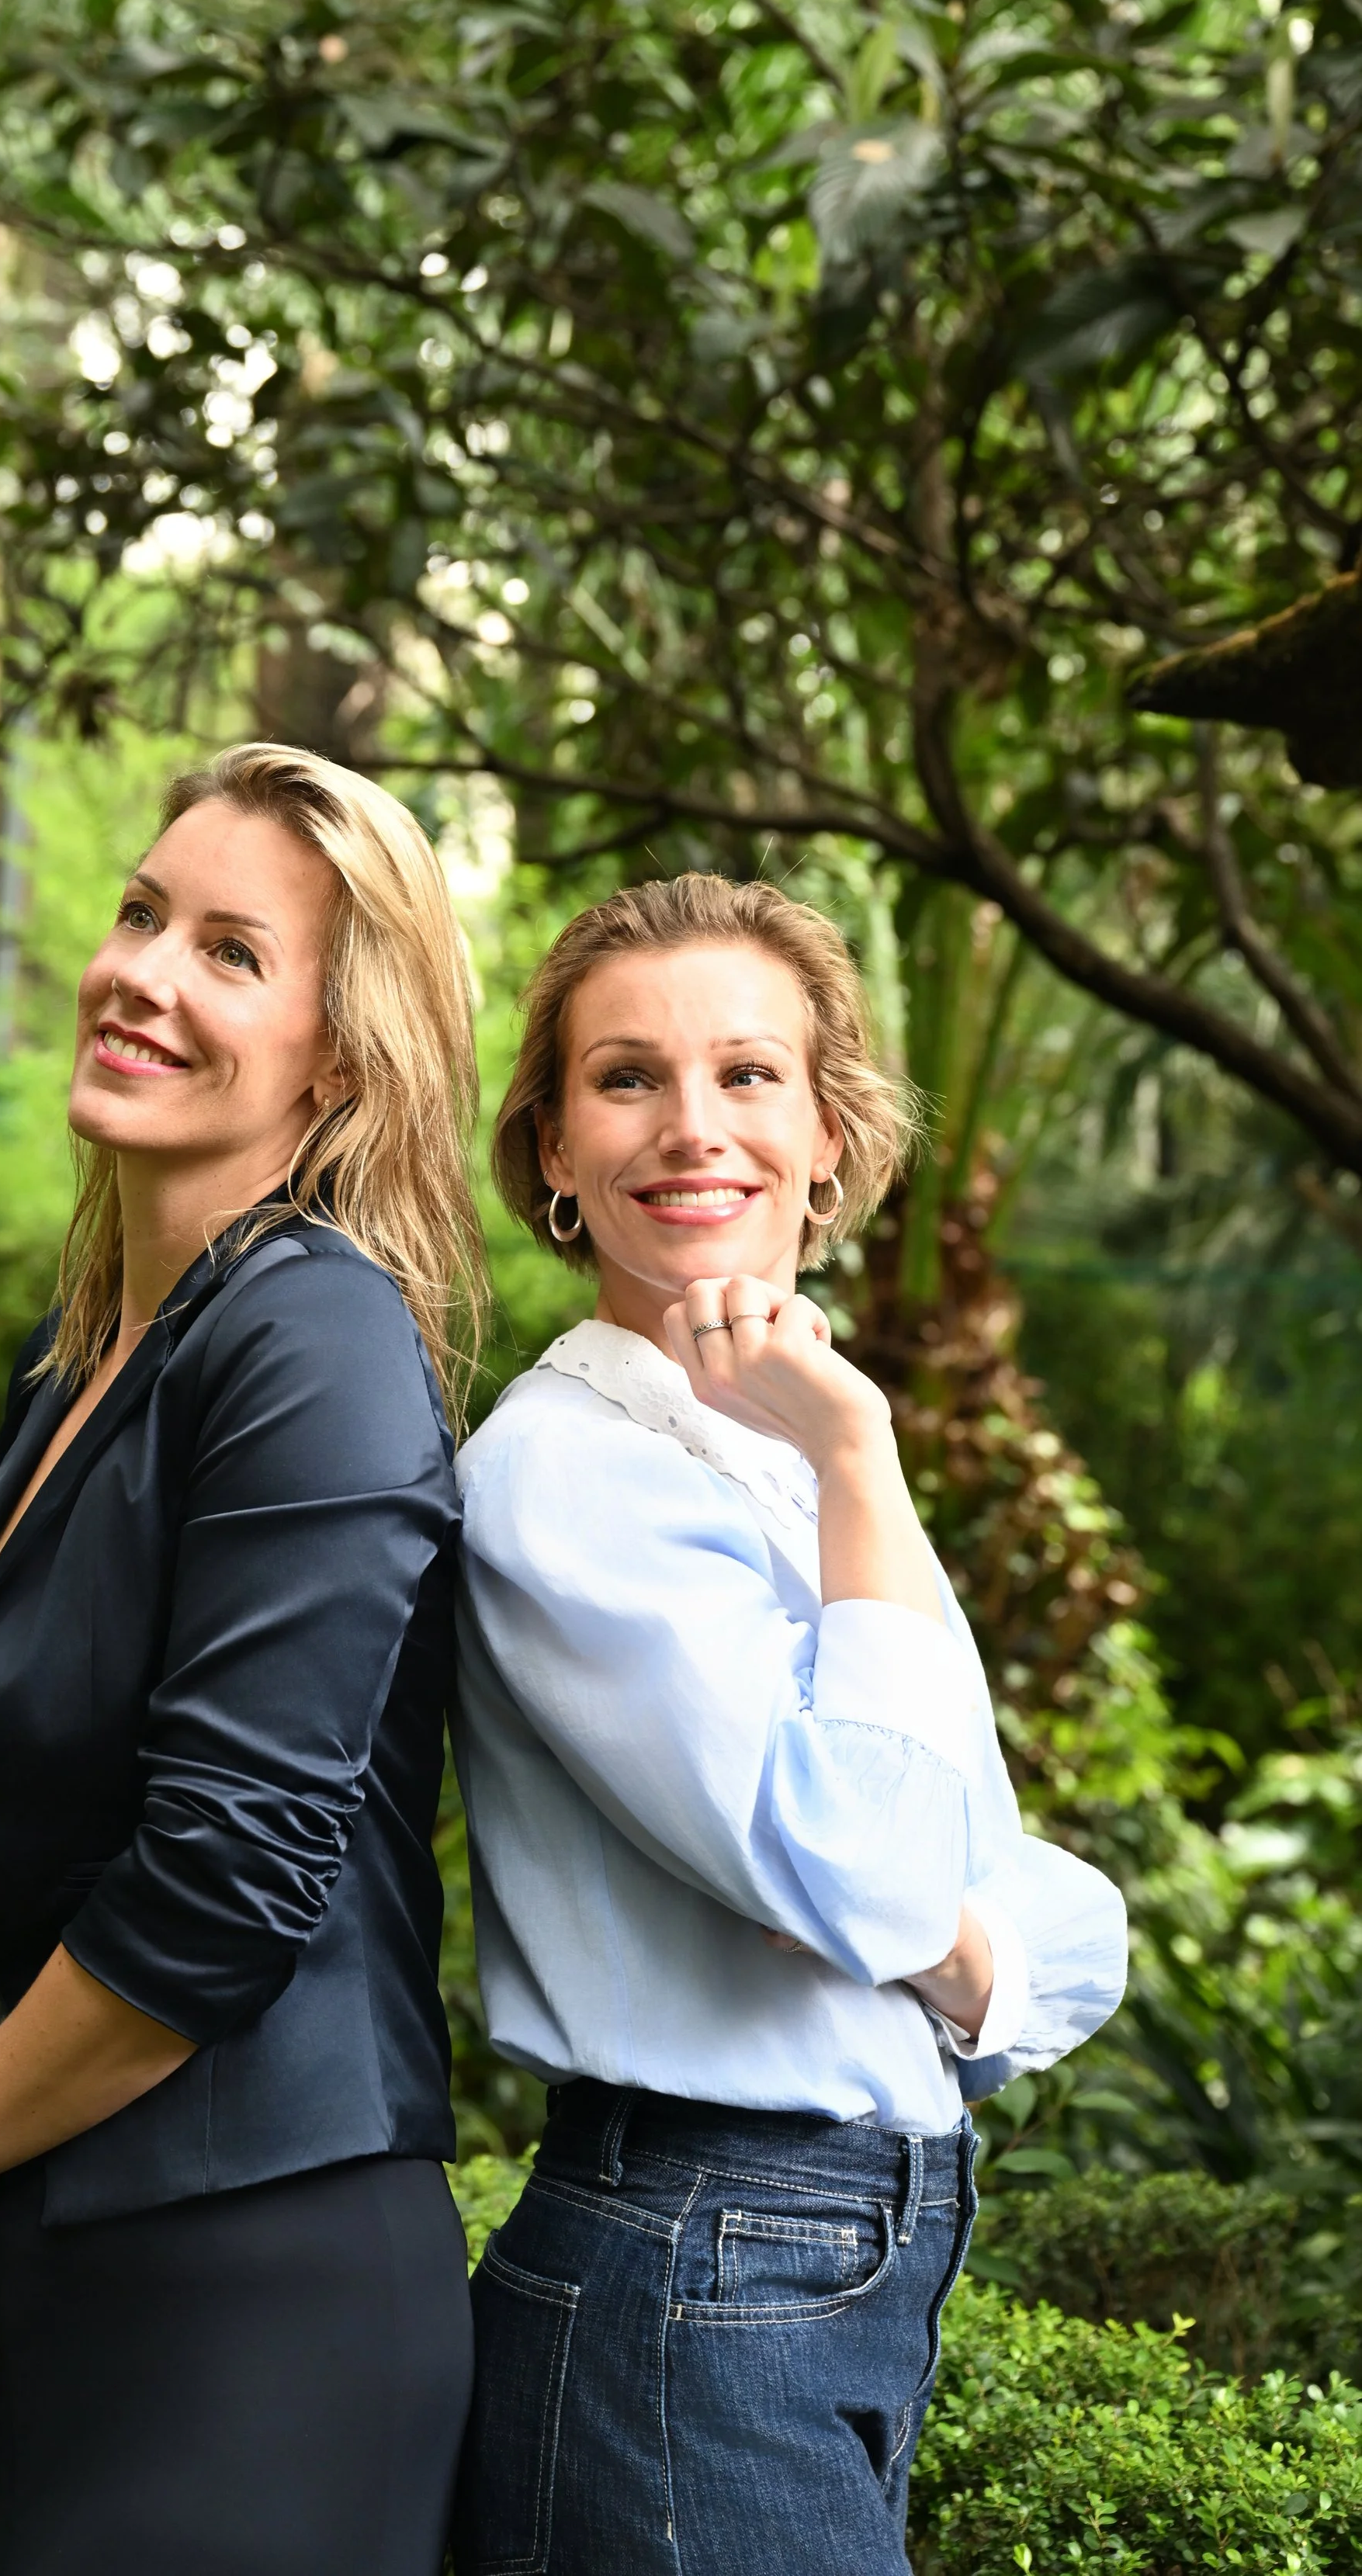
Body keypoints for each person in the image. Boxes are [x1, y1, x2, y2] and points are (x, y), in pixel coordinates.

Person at [0, 743, 485, 2576]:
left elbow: (219, 1884)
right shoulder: (89, 1360)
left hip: (253, 2293)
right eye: (137, 913)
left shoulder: (318, 1347)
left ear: (338, 1062)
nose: (140, 972)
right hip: (88, 2243)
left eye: (228, 951)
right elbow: (21, 1828)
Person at [452, 872, 1128, 2576]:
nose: (694, 1128)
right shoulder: (563, 1477)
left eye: (746, 1075)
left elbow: (1041, 1915)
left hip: (812, 2274)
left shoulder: (771, 1446)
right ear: (548, 1148)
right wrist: (857, 1460)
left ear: (827, 1132)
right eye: (625, 1079)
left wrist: (946, 1948)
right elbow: (877, 1863)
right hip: (689, 2271)